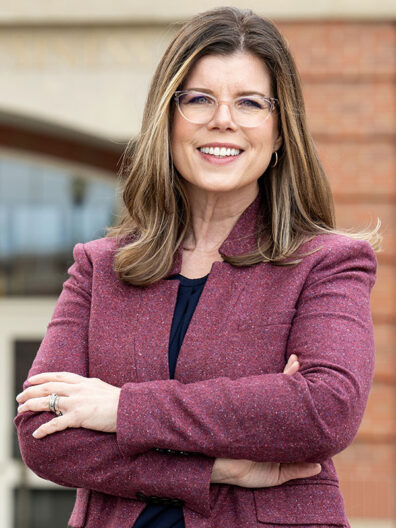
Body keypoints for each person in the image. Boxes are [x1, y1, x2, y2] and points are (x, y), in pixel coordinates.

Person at [15, 6, 381, 528]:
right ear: (168, 118)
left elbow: (325, 410)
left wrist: (119, 409)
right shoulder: (99, 268)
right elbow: (42, 436)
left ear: (280, 133)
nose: (223, 119)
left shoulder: (326, 263)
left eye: (250, 103)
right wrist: (216, 468)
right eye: (199, 99)